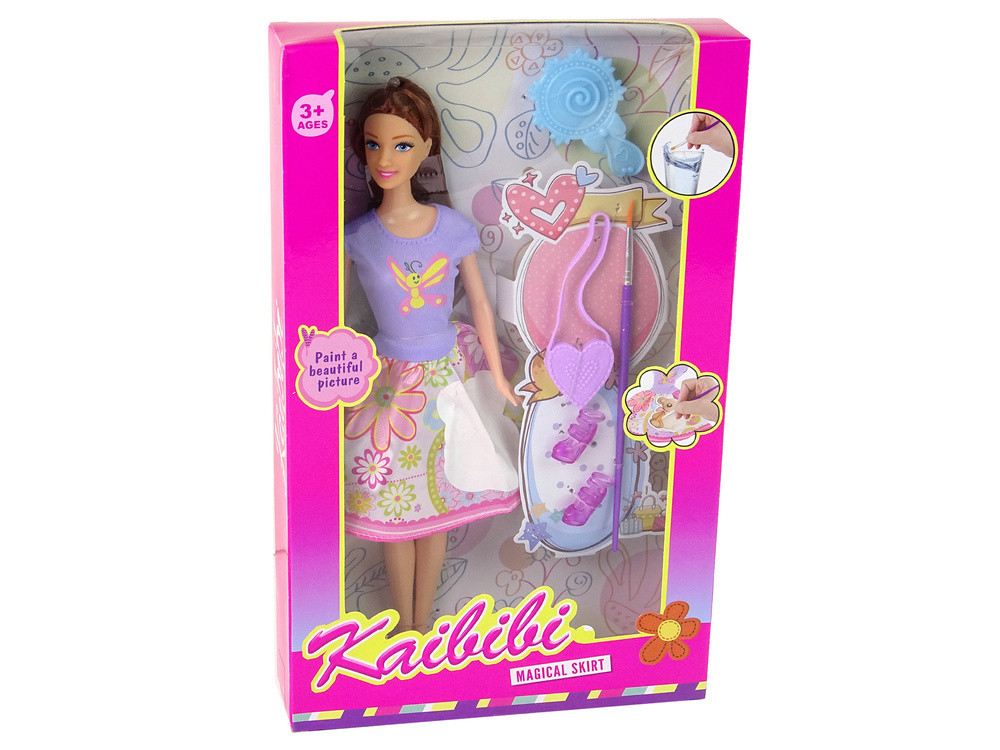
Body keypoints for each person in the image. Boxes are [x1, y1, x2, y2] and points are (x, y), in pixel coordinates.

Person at [342, 77, 519, 635]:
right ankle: (404, 628)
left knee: (436, 504)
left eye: (401, 145)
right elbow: (333, 316)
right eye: (373, 144)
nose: (385, 159)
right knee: (395, 505)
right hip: (388, 384)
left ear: (426, 149)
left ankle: (421, 627)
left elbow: (482, 306)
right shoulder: (358, 237)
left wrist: (498, 378)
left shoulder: (452, 228)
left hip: (445, 379)